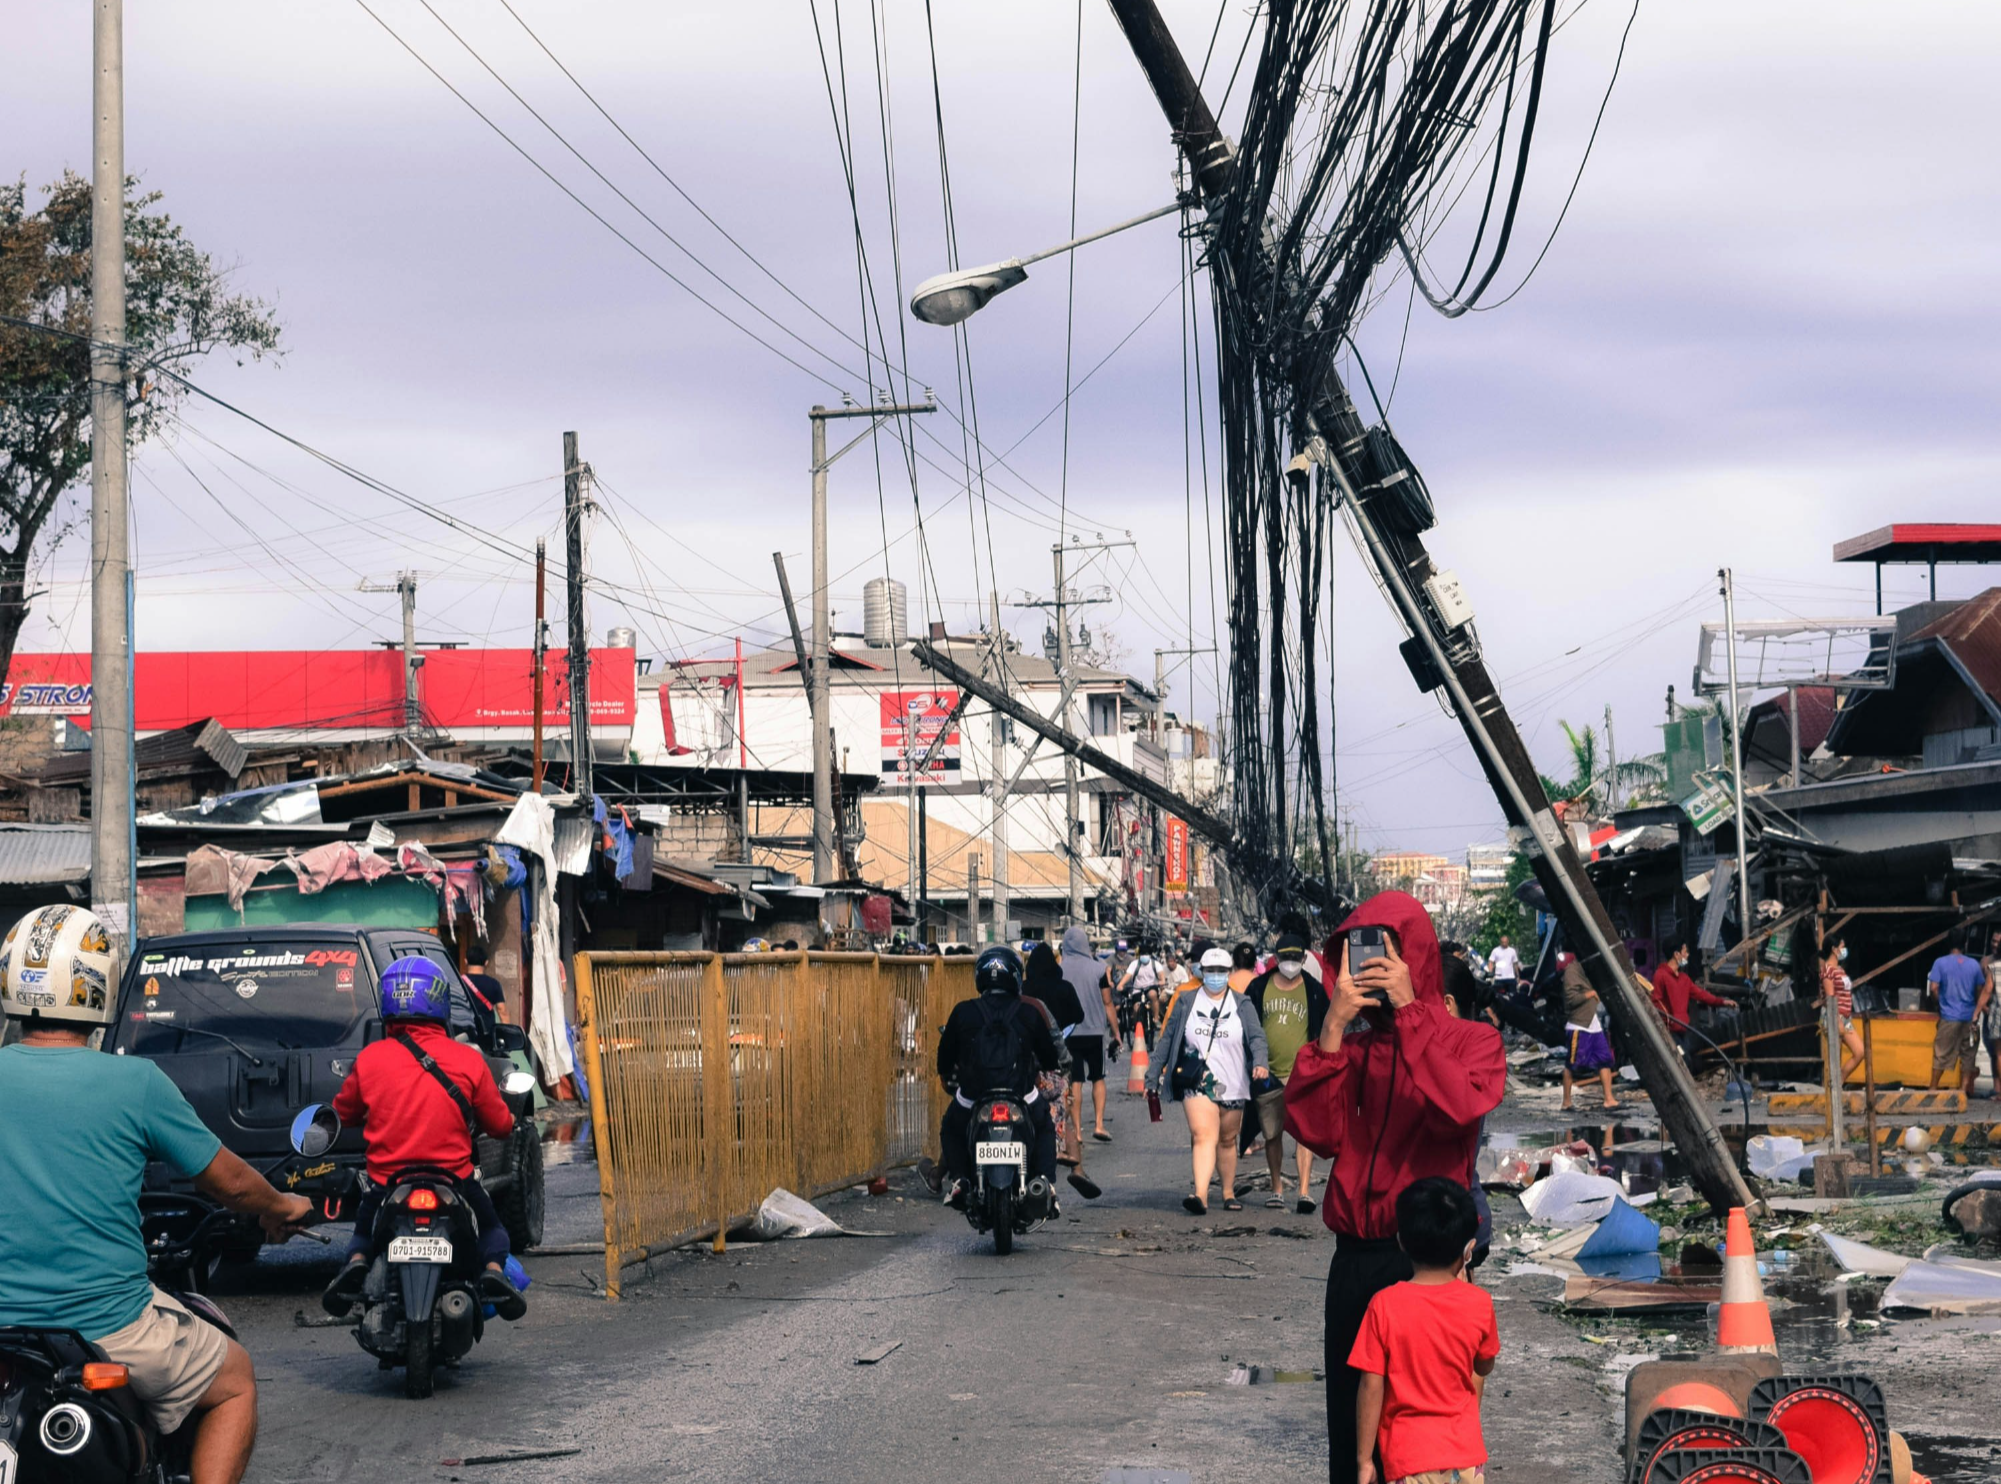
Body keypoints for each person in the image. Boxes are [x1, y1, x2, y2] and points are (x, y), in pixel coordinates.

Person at [0, 905, 315, 1484]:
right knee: (236, 1382)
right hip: (107, 1325)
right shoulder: (134, 1082)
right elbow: (230, 1181)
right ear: (97, 985)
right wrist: (282, 1206)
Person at [1284, 890, 1505, 1484]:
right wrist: (1331, 1025)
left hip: (1426, 1264)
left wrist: (1412, 1013)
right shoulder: (1352, 1048)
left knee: (1421, 1428)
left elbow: (1460, 1107)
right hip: (1355, 1260)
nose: (1374, 966)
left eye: (1389, 954)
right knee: (1353, 1428)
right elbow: (1318, 1132)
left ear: (1418, 960)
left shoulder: (1472, 1042)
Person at [321, 957, 526, 1320]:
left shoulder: (370, 1059)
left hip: (387, 1183)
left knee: (363, 1233)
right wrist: (509, 1120)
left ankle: (355, 1264)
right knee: (493, 1227)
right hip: (455, 1180)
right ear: (439, 1002)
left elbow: (344, 1114)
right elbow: (498, 1125)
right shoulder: (468, 1060)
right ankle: (493, 1272)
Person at [1350, 1177, 1499, 1484]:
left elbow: (1371, 1387)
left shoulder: (1384, 1305)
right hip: (1466, 1459)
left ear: (1402, 1241)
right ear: (1467, 1249)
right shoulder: (1479, 1303)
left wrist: (1364, 1460)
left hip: (1410, 1460)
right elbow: (1483, 1365)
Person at [935, 946, 1060, 1210]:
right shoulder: (1029, 1012)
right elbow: (1050, 1058)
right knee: (1045, 1126)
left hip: (973, 1094)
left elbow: (944, 1057)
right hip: (1021, 1092)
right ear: (1015, 976)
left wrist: (950, 1075)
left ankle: (959, 1180)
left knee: (951, 1127)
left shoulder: (964, 1011)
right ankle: (1045, 1183)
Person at [1148, 946, 1270, 1215]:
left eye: (1221, 971)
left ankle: (1227, 1192)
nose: (1215, 975)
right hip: (1197, 1080)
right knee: (1203, 1134)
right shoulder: (1185, 1001)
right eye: (1210, 970)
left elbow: (1257, 1037)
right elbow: (1168, 1040)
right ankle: (1200, 1195)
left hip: (1234, 1081)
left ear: (1229, 972)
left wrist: (1260, 1062)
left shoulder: (1242, 1003)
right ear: (1201, 971)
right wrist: (1152, 1074)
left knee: (1227, 1140)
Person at [1244, 933, 1328, 1213]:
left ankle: (1304, 1191)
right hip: (1267, 1072)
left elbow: (1326, 1029)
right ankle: (1277, 1187)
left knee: (1304, 1135)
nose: (1290, 963)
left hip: (1303, 1073)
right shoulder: (1258, 989)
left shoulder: (1314, 991)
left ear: (1304, 959)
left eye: (1295, 959)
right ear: (1275, 959)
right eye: (1285, 958)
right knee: (1272, 1133)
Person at [1059, 925, 1118, 1145]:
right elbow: (1108, 1002)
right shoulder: (1099, 969)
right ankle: (1099, 1124)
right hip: (1094, 1032)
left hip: (1070, 1033)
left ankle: (1077, 1131)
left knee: (1075, 1081)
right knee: (1098, 1078)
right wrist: (1116, 1032)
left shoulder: (1060, 969)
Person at [1649, 937, 1733, 1058]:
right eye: (1685, 951)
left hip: (1684, 1030)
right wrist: (1667, 1022)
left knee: (1695, 1057)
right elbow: (1655, 1002)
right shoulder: (1660, 976)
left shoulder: (1684, 979)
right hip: (1669, 1033)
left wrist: (1722, 1002)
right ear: (1676, 954)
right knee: (1683, 1060)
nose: (1687, 955)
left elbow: (1701, 995)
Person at [1928, 933, 1992, 1093]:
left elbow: (1934, 988)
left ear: (1948, 944)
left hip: (1948, 1017)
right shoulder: (1974, 965)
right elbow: (1979, 990)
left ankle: (1933, 1089)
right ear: (1964, 944)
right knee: (1968, 1056)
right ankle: (1962, 1092)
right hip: (1970, 1018)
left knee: (1941, 1054)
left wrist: (1940, 1004)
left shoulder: (1939, 963)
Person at [1558, 952, 1619, 1113]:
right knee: (1572, 1065)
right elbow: (1571, 1000)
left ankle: (1609, 1099)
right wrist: (1589, 994)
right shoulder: (1572, 971)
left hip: (1594, 1023)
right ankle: (1566, 1102)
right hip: (1579, 1025)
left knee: (1604, 1060)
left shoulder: (1590, 968)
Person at [1817, 934, 1865, 1084]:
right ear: (1834, 949)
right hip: (1834, 1017)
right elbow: (1830, 997)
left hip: (1845, 1017)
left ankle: (1839, 1081)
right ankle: (1833, 1090)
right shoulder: (1827, 970)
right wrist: (1837, 1021)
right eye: (1842, 947)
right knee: (1835, 1060)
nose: (1844, 950)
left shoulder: (1839, 969)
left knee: (1859, 1052)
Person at [1983, 930, 2001, 1100]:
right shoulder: (1985, 962)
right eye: (1993, 941)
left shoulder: (1994, 967)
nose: (1995, 945)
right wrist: (1984, 1010)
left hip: (1997, 1013)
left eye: (1998, 942)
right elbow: (1980, 990)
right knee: (1993, 1053)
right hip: (1990, 1014)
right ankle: (1997, 1087)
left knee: (1999, 1054)